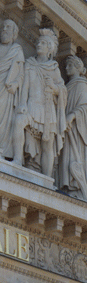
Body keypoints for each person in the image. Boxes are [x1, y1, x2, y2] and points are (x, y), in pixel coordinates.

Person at [11, 28, 67, 177]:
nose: (38, 44)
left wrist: (54, 88)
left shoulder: (54, 68)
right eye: (38, 42)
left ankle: (47, 178)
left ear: (49, 49)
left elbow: (62, 89)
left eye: (43, 43)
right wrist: (22, 104)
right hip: (31, 106)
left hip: (47, 110)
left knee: (47, 144)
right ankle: (17, 158)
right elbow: (25, 86)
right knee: (18, 121)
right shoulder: (30, 63)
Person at [0, 20, 24, 158]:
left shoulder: (17, 50)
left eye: (8, 27)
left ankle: (3, 153)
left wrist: (16, 84)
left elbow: (21, 74)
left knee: (7, 123)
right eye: (2, 27)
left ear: (14, 33)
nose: (4, 29)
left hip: (8, 91)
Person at [60, 56, 87, 199]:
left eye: (70, 65)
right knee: (65, 154)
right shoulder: (67, 85)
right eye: (66, 65)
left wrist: (73, 115)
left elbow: (84, 107)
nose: (66, 68)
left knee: (73, 155)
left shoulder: (82, 85)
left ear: (78, 67)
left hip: (76, 129)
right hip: (65, 127)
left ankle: (75, 185)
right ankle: (66, 184)